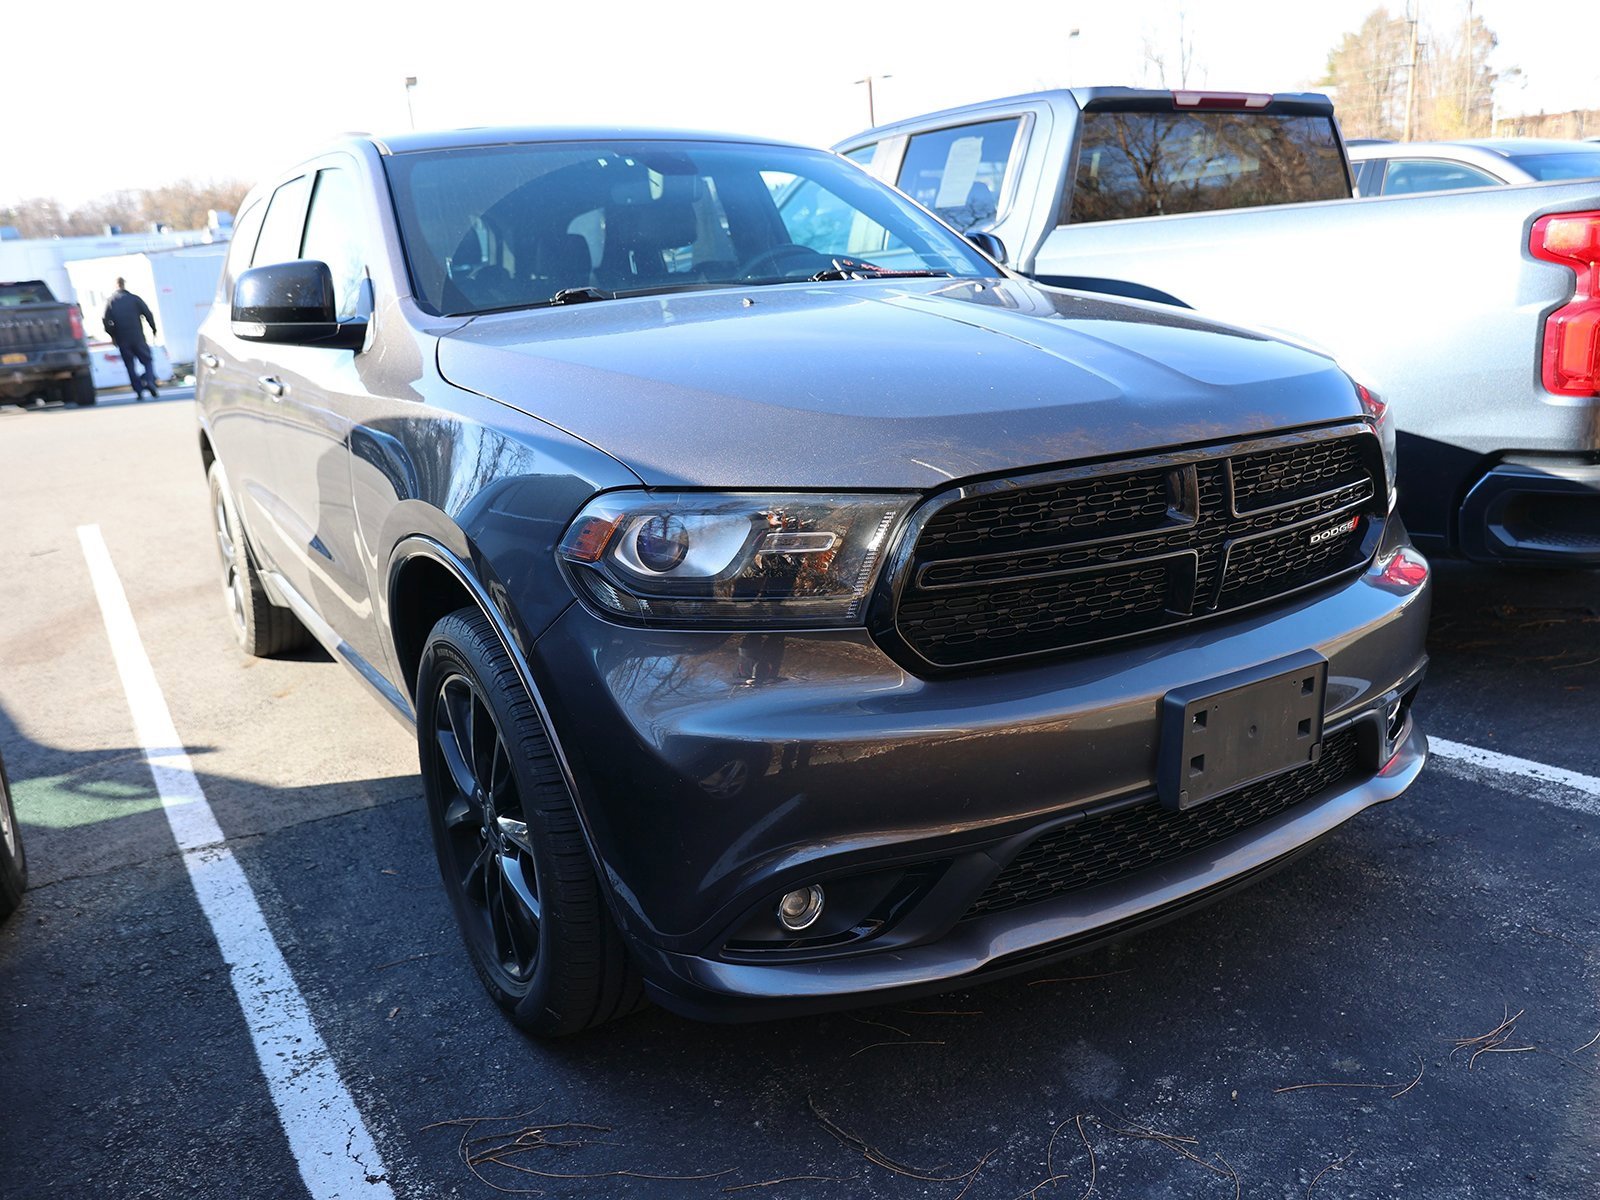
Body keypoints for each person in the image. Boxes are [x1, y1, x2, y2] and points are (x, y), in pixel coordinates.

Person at [102, 278, 160, 400]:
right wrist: (153, 329)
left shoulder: (111, 301)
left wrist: (113, 334)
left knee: (130, 365)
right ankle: (150, 381)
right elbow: (148, 314)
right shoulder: (134, 299)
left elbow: (106, 320)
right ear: (124, 284)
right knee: (147, 361)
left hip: (122, 338)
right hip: (138, 336)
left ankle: (138, 390)